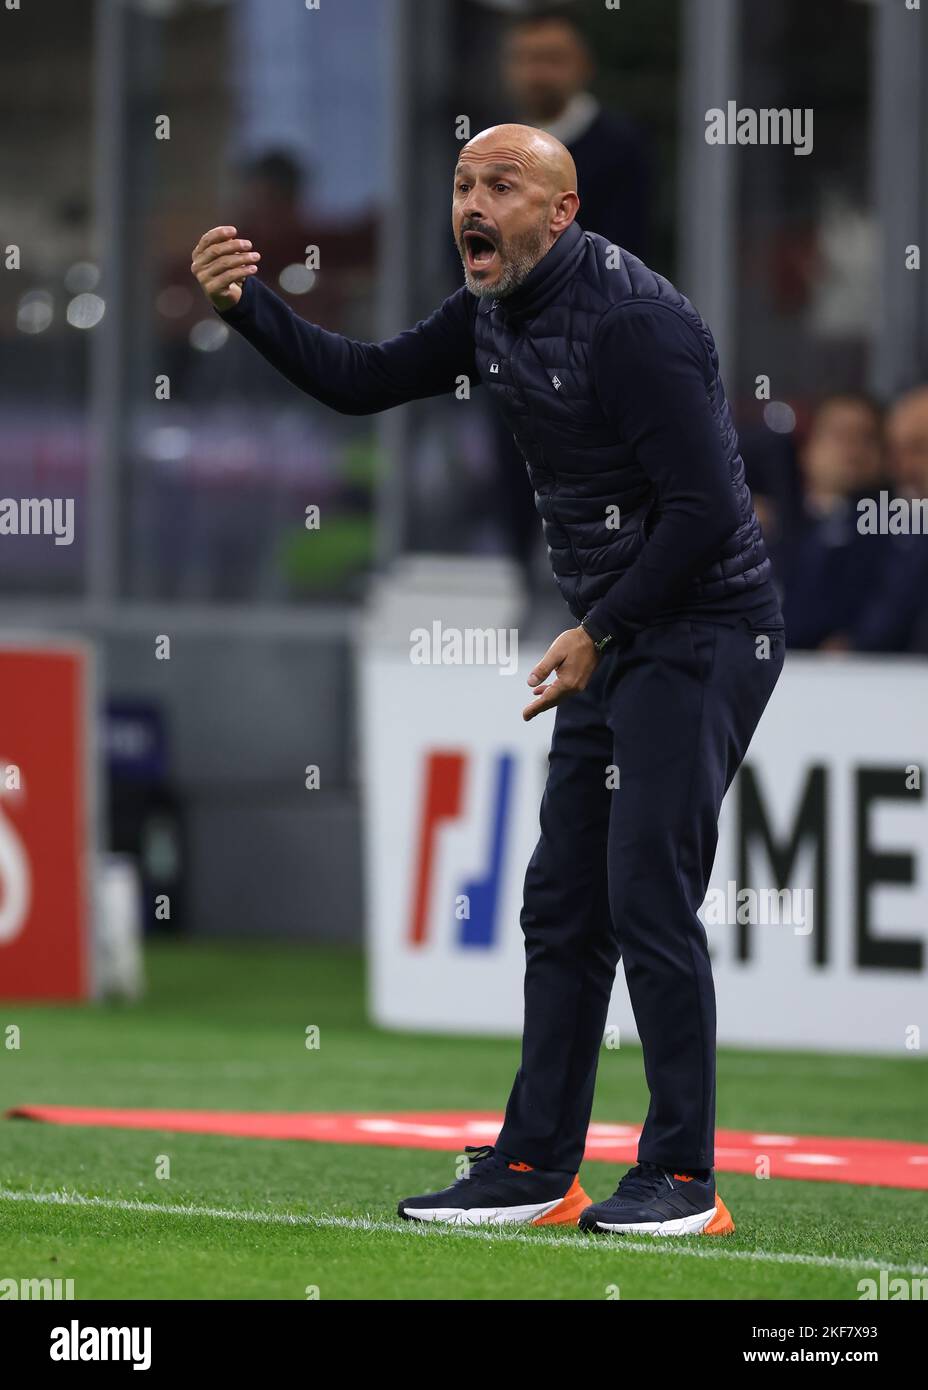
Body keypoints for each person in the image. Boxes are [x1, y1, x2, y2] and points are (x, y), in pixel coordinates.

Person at [191, 123, 784, 1237]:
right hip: (614, 632)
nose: (472, 201)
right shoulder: (491, 313)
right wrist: (247, 309)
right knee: (561, 904)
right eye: (461, 182)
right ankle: (532, 1167)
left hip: (703, 629)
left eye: (500, 185)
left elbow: (706, 511)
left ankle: (682, 1181)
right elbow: (364, 381)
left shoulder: (633, 323)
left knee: (646, 889)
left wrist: (600, 626)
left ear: (559, 213)